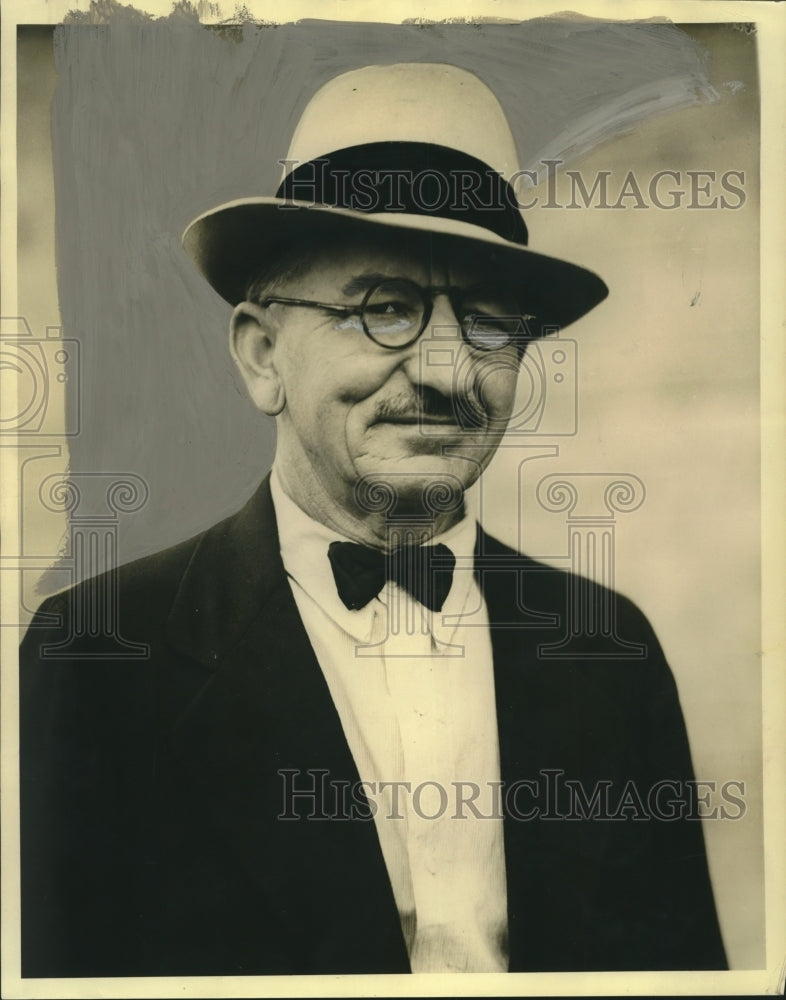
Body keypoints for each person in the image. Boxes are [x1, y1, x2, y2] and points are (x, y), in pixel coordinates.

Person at [19, 62, 726, 976]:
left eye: (485, 323)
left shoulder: (608, 650)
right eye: (385, 309)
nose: (445, 370)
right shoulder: (97, 659)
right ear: (262, 355)